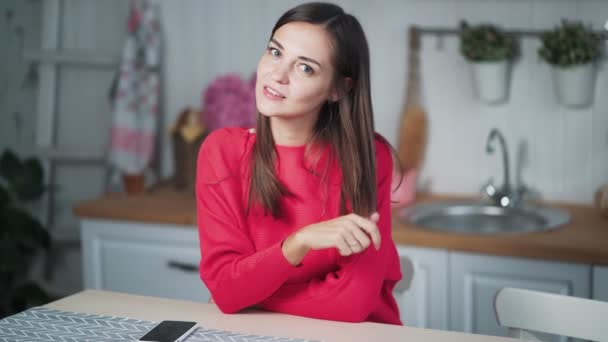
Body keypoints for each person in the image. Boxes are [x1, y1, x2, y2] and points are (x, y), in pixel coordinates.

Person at [196, 2, 403, 325]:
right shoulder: (222, 151)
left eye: (304, 67)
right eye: (275, 52)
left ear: (337, 88)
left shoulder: (370, 157)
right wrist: (299, 242)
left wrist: (245, 294)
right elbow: (226, 288)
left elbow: (352, 304)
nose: (276, 75)